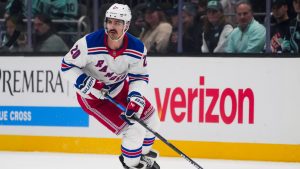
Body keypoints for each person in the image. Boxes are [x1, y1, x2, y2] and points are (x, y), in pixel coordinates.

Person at [60, 3, 160, 169]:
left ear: (126, 25)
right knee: (133, 131)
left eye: (118, 23)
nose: (112, 27)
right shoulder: (88, 44)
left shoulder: (137, 48)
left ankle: (141, 155)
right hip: (93, 98)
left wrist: (135, 96)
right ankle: (132, 164)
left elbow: (139, 76)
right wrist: (83, 81)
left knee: (152, 120)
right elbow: (66, 66)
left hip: (120, 89)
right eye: (110, 22)